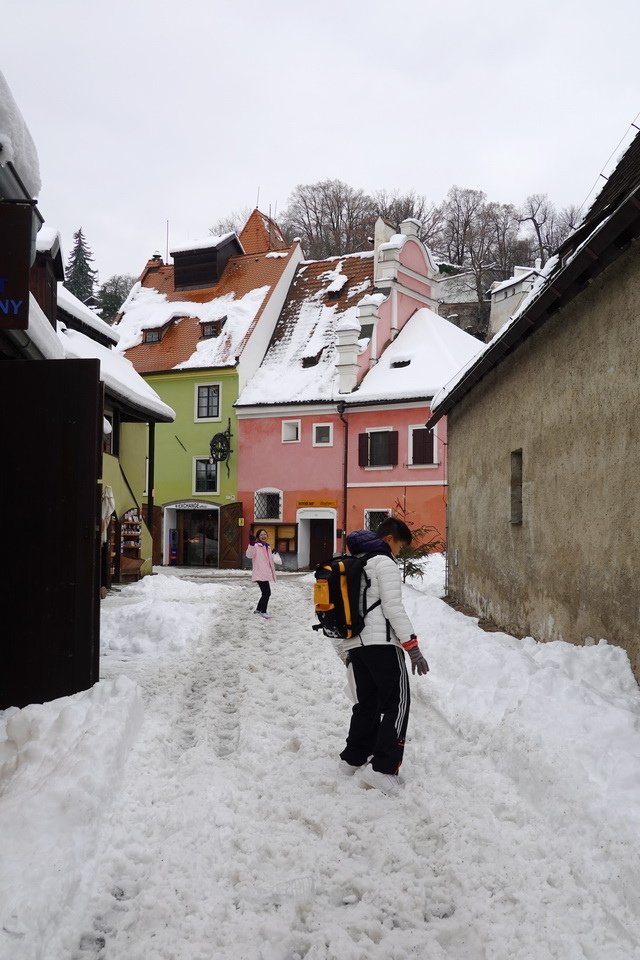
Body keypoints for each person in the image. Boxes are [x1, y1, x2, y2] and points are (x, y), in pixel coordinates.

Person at [337, 517, 429, 795]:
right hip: (382, 645)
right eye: (400, 546)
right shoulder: (384, 563)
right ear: (389, 539)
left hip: (356, 644)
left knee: (367, 703)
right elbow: (392, 608)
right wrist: (412, 647)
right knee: (397, 703)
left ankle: (352, 760)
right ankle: (383, 769)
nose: (399, 553)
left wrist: (347, 649)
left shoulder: (357, 563)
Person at [246, 529, 277, 619]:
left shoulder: (267, 547)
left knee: (265, 592)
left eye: (265, 534)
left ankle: (258, 609)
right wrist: (251, 544)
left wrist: (273, 553)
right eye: (261, 535)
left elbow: (267, 560)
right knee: (267, 593)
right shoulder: (256, 546)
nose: (263, 536)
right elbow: (249, 555)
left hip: (265, 573)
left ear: (267, 536)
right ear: (258, 537)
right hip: (260, 573)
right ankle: (263, 611)